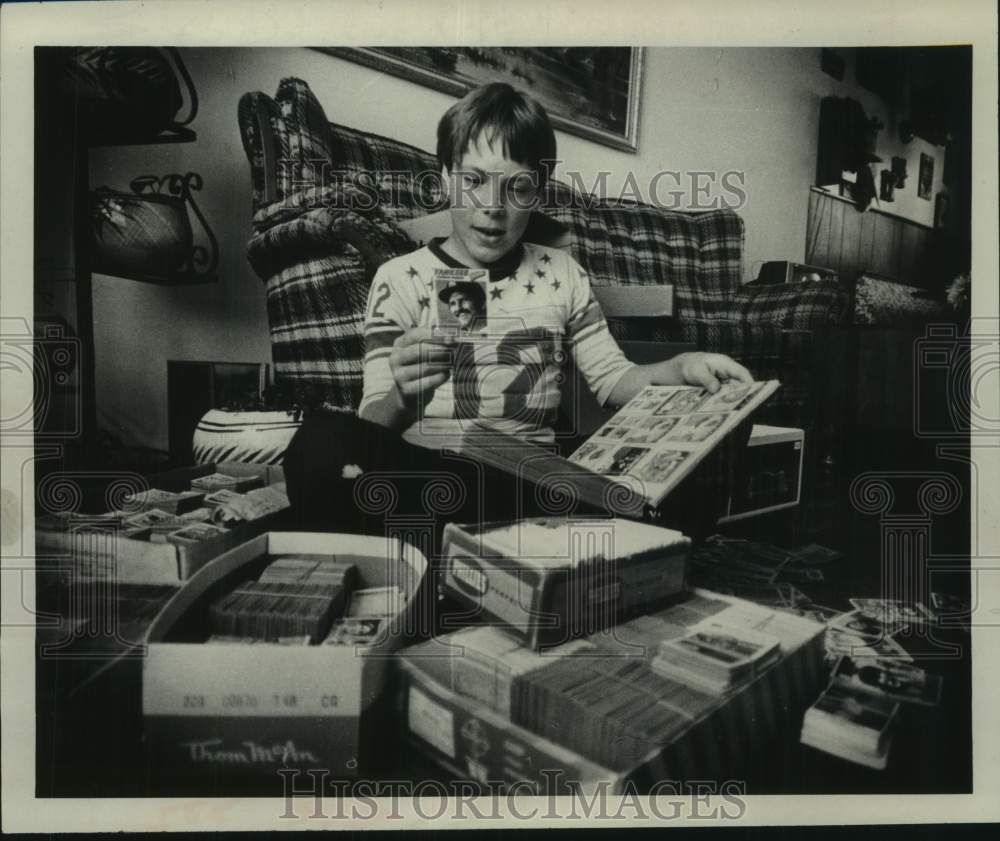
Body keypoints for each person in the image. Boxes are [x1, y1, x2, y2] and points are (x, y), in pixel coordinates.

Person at [283, 82, 752, 551]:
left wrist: (684, 367)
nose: (493, 206)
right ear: (446, 177)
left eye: (518, 188)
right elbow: (373, 420)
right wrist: (405, 398)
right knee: (320, 443)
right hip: (437, 481)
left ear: (538, 192)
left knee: (727, 409)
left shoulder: (562, 272)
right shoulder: (399, 277)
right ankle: (538, 551)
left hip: (535, 489)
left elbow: (614, 380)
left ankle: (580, 546)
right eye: (473, 181)